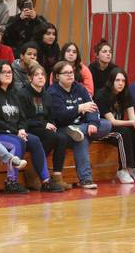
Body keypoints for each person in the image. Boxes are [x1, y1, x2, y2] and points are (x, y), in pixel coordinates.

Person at [0, 61, 61, 193]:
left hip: (14, 132)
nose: (8, 74)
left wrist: (22, 129)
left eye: (10, 72)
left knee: (35, 140)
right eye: (4, 72)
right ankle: (11, 182)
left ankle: (46, 181)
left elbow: (22, 117)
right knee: (17, 142)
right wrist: (15, 131)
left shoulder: (13, 92)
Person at [47, 60, 105, 189]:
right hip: (64, 129)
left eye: (71, 72)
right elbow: (60, 116)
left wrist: (92, 123)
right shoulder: (53, 92)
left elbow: (92, 107)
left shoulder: (80, 88)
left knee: (106, 125)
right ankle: (86, 180)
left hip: (81, 126)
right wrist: (79, 108)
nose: (70, 75)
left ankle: (80, 129)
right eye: (66, 73)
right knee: (80, 140)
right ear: (57, 76)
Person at [17, 63, 73, 191]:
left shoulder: (47, 95)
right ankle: (33, 171)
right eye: (37, 75)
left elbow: (51, 117)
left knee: (62, 138)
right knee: (52, 137)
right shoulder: (23, 94)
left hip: (45, 128)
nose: (40, 77)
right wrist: (44, 124)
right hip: (30, 127)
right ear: (30, 78)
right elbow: (23, 119)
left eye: (42, 74)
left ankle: (57, 176)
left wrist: (52, 124)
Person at [95, 69, 135, 184]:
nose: (121, 83)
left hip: (119, 126)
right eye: (117, 80)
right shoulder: (101, 95)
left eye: (123, 81)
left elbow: (132, 117)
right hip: (103, 129)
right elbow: (112, 121)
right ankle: (123, 169)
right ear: (111, 81)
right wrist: (132, 123)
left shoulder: (126, 93)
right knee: (122, 133)